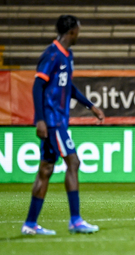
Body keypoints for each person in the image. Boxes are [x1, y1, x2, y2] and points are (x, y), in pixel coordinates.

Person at [21, 15, 105, 235]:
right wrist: (40, 119)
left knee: (46, 169)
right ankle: (76, 221)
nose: (80, 33)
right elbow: (37, 86)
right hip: (53, 121)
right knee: (73, 162)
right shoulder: (52, 55)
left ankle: (30, 224)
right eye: (78, 29)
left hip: (57, 120)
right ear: (72, 32)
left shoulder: (68, 55)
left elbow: (68, 86)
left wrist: (90, 106)